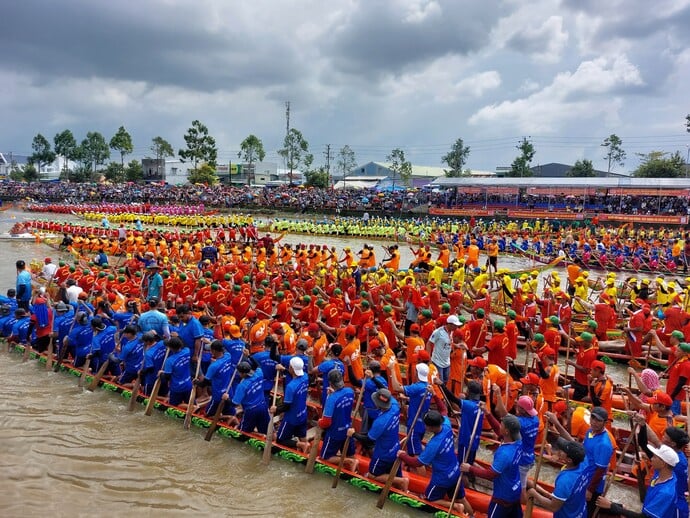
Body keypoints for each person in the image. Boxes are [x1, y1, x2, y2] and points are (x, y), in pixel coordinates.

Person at [397, 410, 466, 515]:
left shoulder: (434, 444)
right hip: (455, 470)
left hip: (442, 479)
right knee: (461, 498)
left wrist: (402, 456)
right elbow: (443, 410)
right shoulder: (446, 425)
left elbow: (418, 463)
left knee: (430, 499)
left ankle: (457, 506)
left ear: (431, 427)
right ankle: (470, 514)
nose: (424, 426)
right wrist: (435, 395)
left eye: (426, 425)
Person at [461, 413, 523, 518]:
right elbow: (499, 431)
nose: (499, 426)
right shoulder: (518, 441)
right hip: (516, 490)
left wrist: (469, 468)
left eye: (501, 425)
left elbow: (490, 474)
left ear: (507, 431)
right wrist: (488, 414)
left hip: (503, 497)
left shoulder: (504, 454)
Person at [348, 388, 408, 491]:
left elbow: (369, 440)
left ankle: (402, 481)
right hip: (395, 449)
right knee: (394, 473)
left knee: (371, 475)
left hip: (383, 454)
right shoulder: (394, 406)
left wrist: (353, 434)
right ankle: (403, 490)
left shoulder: (380, 422)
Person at [596, 443, 679, 518]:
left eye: (654, 457)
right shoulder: (664, 474)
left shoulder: (665, 493)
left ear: (663, 463)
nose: (651, 459)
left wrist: (612, 506)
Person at [526, 438, 588, 517]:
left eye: (563, 451)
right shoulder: (584, 462)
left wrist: (534, 493)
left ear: (569, 460)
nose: (560, 451)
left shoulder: (565, 480)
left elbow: (553, 507)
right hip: (579, 511)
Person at [317, 369, 358, 472]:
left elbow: (326, 422)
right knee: (351, 453)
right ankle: (353, 468)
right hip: (348, 430)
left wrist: (319, 422)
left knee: (325, 457)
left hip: (335, 433)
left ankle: (349, 462)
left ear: (330, 383)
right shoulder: (350, 391)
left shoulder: (332, 399)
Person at [270, 356, 309, 451]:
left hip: (292, 418)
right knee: (302, 435)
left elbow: (286, 406)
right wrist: (283, 369)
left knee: (280, 440)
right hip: (303, 413)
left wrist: (276, 409)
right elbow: (293, 373)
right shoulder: (305, 376)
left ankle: (301, 445)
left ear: (291, 368)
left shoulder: (290, 387)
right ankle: (307, 448)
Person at [231, 359, 270, 434]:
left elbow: (235, 403)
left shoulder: (242, 386)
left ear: (242, 374)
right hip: (263, 406)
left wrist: (226, 399)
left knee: (242, 433)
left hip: (251, 411)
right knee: (265, 431)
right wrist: (249, 356)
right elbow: (257, 365)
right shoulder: (259, 373)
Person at [426, 314, 461, 383]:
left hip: (447, 362)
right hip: (437, 362)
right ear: (450, 324)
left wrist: (457, 345)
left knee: (446, 382)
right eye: (455, 325)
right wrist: (429, 358)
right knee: (440, 383)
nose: (457, 327)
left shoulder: (452, 332)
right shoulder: (438, 332)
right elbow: (429, 344)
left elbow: (449, 342)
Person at [160, 337, 192, 407]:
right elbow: (185, 345)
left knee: (173, 406)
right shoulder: (187, 351)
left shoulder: (169, 360)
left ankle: (193, 407)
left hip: (177, 388)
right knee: (189, 402)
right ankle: (193, 407)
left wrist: (161, 373)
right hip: (188, 384)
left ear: (171, 348)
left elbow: (167, 376)